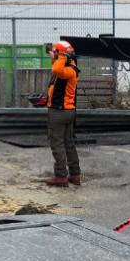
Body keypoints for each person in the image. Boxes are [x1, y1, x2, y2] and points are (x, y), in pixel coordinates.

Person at [44, 40, 81, 186]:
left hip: (59, 112)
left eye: (56, 52)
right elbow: (56, 65)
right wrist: (53, 54)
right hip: (68, 111)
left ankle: (61, 177)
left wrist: (62, 56)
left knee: (57, 144)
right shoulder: (71, 67)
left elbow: (56, 70)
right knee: (68, 143)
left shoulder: (66, 70)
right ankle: (75, 174)